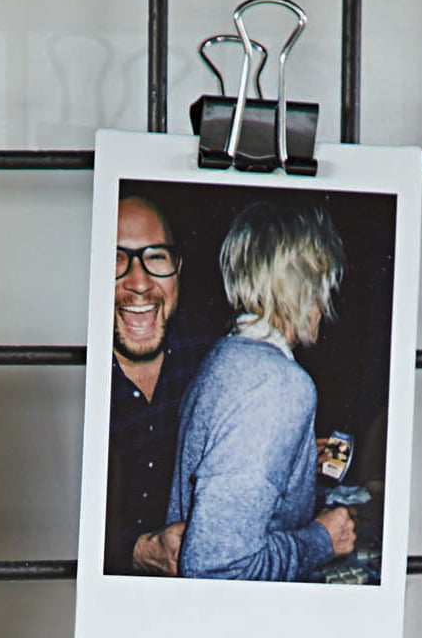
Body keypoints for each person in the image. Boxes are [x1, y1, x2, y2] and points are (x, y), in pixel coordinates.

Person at [161, 197, 358, 583]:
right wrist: (323, 540)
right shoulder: (278, 384)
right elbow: (218, 568)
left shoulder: (224, 355)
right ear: (308, 286)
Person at [106, 193, 211, 576]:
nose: (139, 283)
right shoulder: (66, 375)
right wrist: (135, 552)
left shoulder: (207, 354)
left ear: (178, 269)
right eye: (116, 259)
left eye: (156, 257)